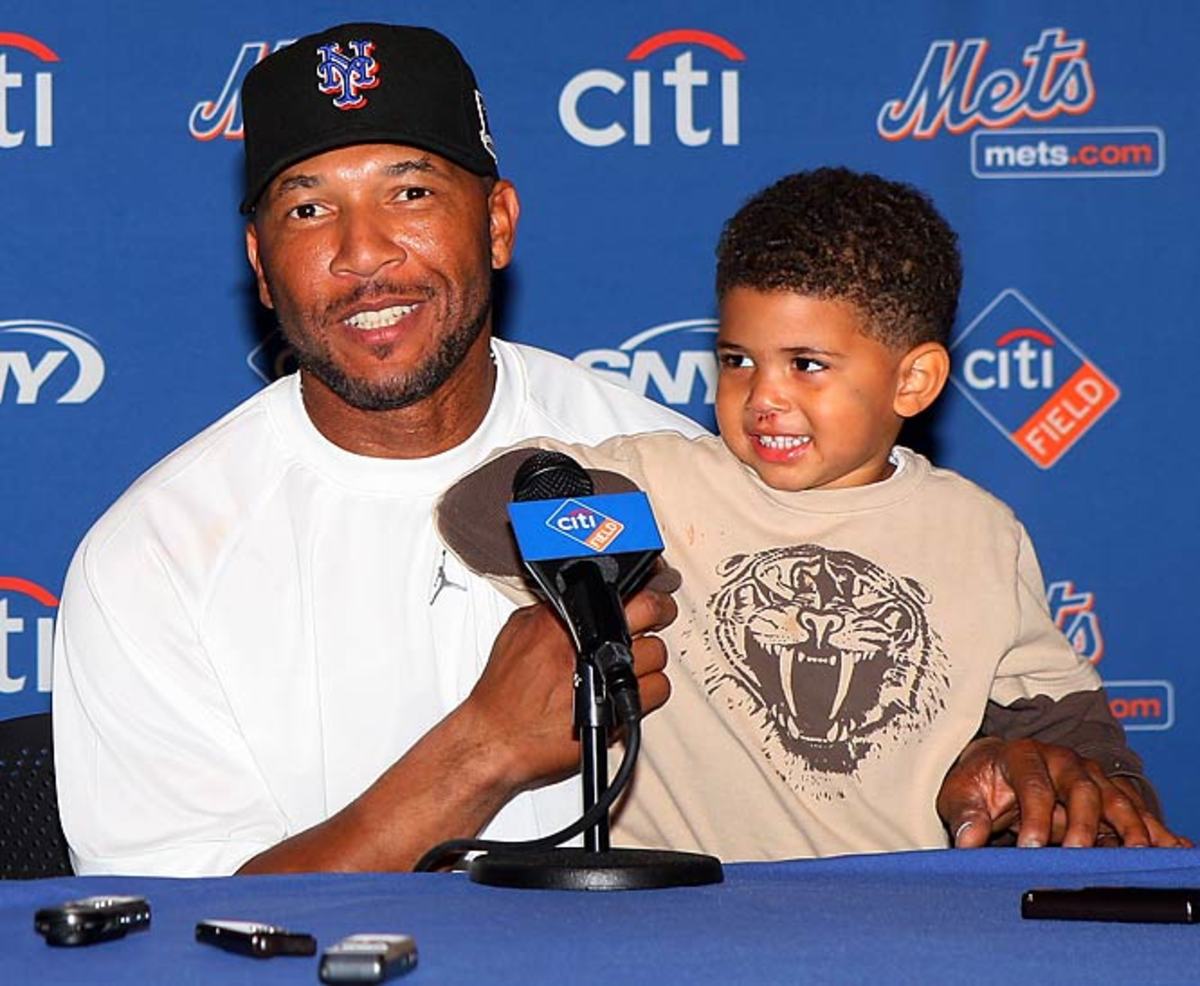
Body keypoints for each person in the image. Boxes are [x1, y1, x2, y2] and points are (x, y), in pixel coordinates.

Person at [50, 23, 1163, 878]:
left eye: (410, 192)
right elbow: (180, 944)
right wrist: (479, 750)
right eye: (307, 210)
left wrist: (1043, 762)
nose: (363, 254)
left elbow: (923, 624)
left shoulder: (670, 466)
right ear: (258, 257)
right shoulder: (157, 557)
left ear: (497, 224)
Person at [436, 167, 1189, 858]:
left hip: (902, 921)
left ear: (915, 380)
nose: (764, 396)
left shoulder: (978, 530)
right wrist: (622, 563)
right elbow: (479, 508)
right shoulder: (660, 485)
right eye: (738, 360)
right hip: (680, 918)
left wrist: (1096, 796)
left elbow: (1070, 733)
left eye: (807, 365)